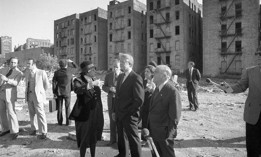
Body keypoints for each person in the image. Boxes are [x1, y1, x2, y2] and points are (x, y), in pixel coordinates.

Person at [219, 54, 261, 157]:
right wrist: (226, 88)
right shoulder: (250, 71)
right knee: (253, 147)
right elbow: (241, 86)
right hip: (253, 115)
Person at [69, 61, 104, 157]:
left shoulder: (93, 79)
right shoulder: (78, 80)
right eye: (93, 69)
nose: (95, 71)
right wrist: (91, 84)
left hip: (94, 113)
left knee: (94, 137)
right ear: (87, 71)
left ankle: (93, 155)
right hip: (84, 114)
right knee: (84, 137)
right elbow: (77, 90)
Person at [114, 53, 144, 157]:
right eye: (120, 62)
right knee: (121, 138)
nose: (120, 64)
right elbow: (117, 96)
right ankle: (123, 154)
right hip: (120, 113)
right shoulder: (121, 76)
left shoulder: (136, 78)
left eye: (123, 62)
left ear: (130, 64)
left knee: (133, 139)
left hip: (129, 115)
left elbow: (139, 100)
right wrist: (115, 111)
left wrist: (129, 112)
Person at [147, 65, 182, 157]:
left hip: (164, 134)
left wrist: (169, 136)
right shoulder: (158, 89)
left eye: (156, 72)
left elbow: (175, 116)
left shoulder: (172, 91)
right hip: (155, 131)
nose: (153, 75)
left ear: (164, 75)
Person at [24, 58, 49, 139]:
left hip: (38, 97)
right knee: (32, 114)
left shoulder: (41, 72)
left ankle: (43, 132)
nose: (27, 65)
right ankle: (34, 129)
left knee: (40, 114)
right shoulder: (27, 72)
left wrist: (40, 93)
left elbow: (46, 85)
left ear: (34, 64)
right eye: (27, 64)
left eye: (29, 64)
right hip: (29, 96)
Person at [0, 57, 23, 140]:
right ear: (9, 62)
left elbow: (16, 83)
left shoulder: (19, 73)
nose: (13, 64)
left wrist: (7, 80)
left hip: (10, 95)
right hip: (1, 93)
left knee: (11, 112)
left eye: (15, 63)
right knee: (1, 112)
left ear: (17, 64)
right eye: (11, 62)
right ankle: (5, 129)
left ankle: (14, 131)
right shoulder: (3, 70)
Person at [102, 59, 121, 145]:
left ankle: (120, 140)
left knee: (120, 120)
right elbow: (103, 87)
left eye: (117, 67)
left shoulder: (123, 76)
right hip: (111, 100)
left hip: (120, 101)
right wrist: (109, 89)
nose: (115, 68)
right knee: (112, 120)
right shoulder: (108, 76)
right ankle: (112, 140)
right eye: (114, 66)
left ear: (120, 67)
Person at [52, 59, 73, 126]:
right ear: (66, 65)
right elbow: (71, 82)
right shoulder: (69, 72)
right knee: (67, 107)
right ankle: (68, 122)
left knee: (59, 107)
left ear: (59, 65)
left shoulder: (56, 73)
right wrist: (71, 89)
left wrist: (54, 92)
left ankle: (60, 122)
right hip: (67, 91)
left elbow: (54, 83)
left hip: (59, 92)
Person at [140, 65, 155, 145]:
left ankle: (152, 139)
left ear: (152, 73)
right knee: (145, 121)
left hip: (153, 105)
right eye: (145, 71)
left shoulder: (155, 81)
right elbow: (138, 91)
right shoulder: (142, 80)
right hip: (144, 104)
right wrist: (146, 90)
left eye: (148, 72)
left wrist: (153, 90)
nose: (145, 73)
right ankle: (144, 139)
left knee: (152, 122)